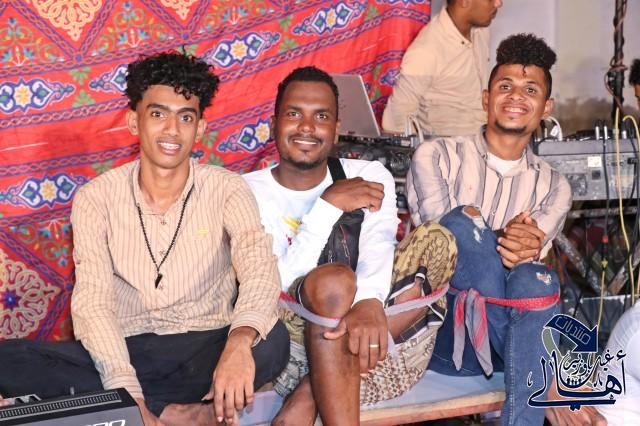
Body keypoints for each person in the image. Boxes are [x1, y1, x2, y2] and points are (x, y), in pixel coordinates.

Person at [0, 51, 289, 426]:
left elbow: (259, 268)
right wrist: (128, 392)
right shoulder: (96, 198)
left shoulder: (227, 188)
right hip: (130, 348)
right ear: (133, 121)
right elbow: (93, 302)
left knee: (272, 341)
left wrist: (238, 342)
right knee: (10, 360)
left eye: (185, 117)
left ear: (200, 128)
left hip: (205, 345)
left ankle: (121, 405)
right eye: (158, 114)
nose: (172, 130)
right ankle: (177, 413)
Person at [243, 66, 457, 425]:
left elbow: (379, 244)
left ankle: (311, 391)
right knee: (333, 280)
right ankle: (321, 378)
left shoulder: (367, 175)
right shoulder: (246, 190)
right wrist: (328, 206)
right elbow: (273, 283)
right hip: (292, 342)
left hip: (373, 331)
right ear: (273, 123)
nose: (307, 127)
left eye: (321, 116)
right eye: (294, 114)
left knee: (439, 238)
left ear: (336, 127)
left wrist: (369, 301)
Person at [406, 34, 573, 425]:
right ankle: (546, 381)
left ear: (546, 107)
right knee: (463, 224)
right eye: (505, 86)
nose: (516, 97)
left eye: (530, 90)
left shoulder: (554, 186)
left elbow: (524, 268)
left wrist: (514, 248)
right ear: (486, 98)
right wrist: (501, 240)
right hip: (443, 339)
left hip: (505, 349)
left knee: (536, 278)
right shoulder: (436, 156)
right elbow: (449, 247)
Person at [382, 0, 503, 137]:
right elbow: (396, 119)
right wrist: (425, 148)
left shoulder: (480, 30)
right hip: (450, 145)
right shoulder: (426, 50)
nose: (498, 3)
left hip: (486, 136)